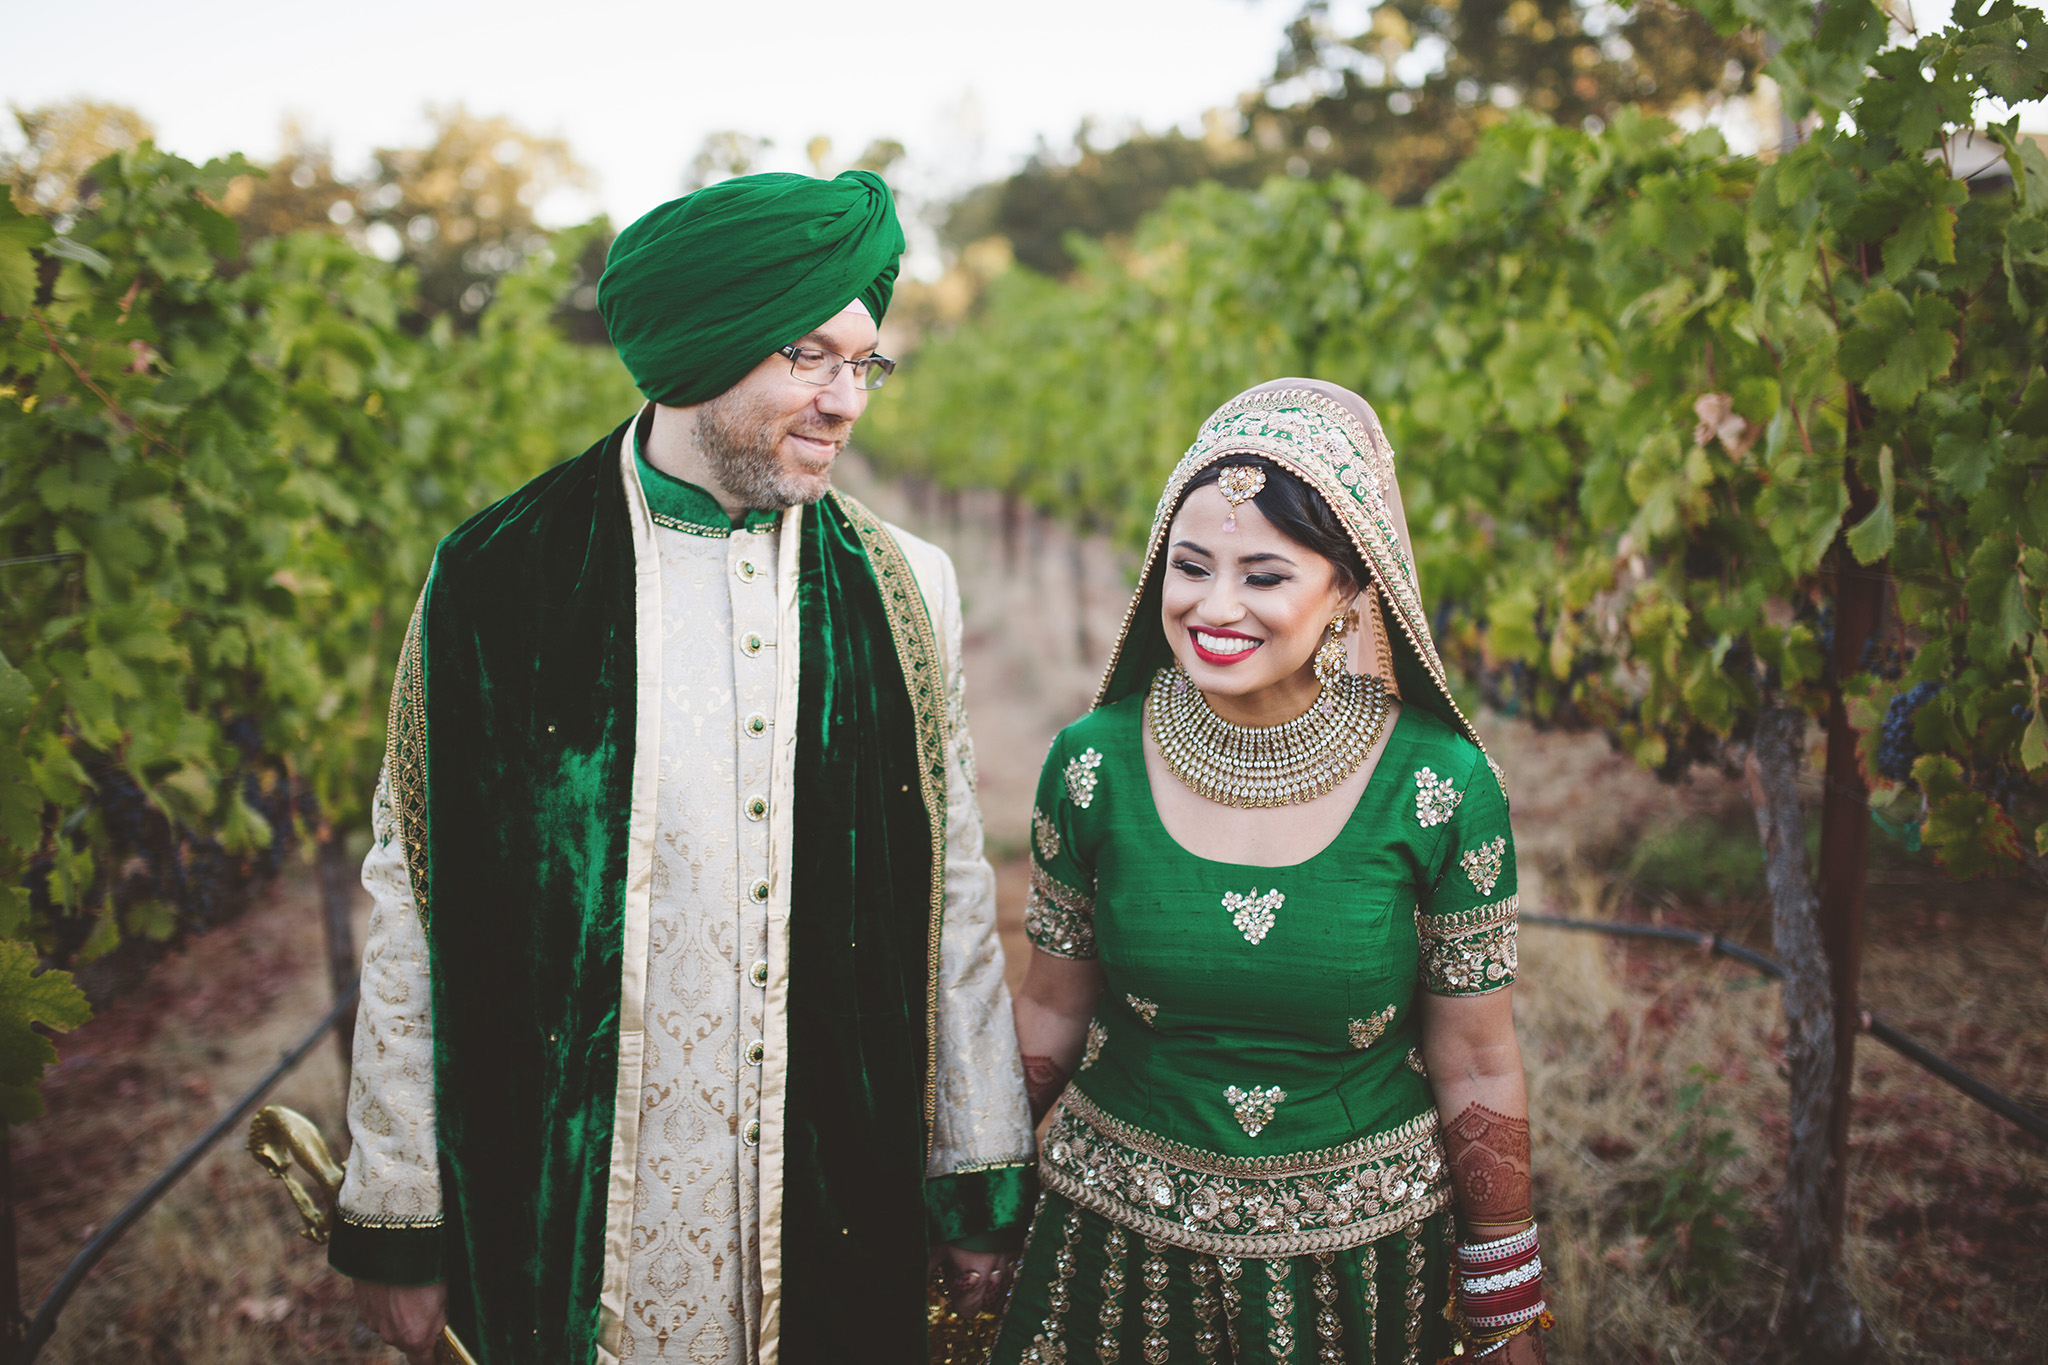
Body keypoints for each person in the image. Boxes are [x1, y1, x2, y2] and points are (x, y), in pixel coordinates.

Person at [327, 169, 1036, 1365]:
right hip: (576, 1213)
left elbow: (953, 899)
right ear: (699, 351)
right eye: (810, 357)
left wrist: (975, 1179)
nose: (845, 402)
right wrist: (401, 1215)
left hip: (836, 1193)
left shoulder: (905, 585)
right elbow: (416, 906)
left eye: (865, 363)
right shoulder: (500, 576)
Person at [993, 380, 1550, 1364]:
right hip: (1115, 1262)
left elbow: (1476, 1059)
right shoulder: (1091, 764)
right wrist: (973, 1197)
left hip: (1358, 1274)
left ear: (1346, 588)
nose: (1213, 606)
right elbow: (1048, 1011)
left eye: (1262, 575)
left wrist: (1504, 1304)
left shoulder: (1439, 785)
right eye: (1189, 566)